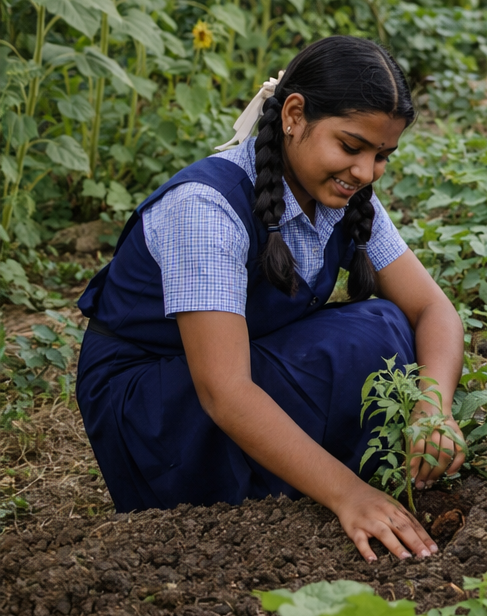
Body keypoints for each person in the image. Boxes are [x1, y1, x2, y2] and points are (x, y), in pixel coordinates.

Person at [75, 36, 465, 562]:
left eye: (381, 156)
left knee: (384, 325)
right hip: (155, 411)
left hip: (226, 375)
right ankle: (277, 491)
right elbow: (225, 391)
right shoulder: (206, 209)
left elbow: (433, 309)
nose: (366, 172)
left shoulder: (339, 194)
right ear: (294, 116)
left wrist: (431, 407)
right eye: (351, 147)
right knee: (357, 342)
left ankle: (305, 474)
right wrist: (348, 495)